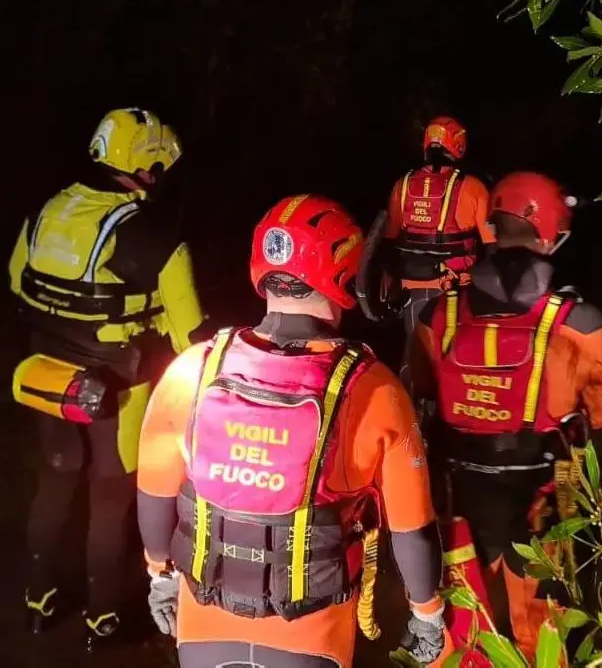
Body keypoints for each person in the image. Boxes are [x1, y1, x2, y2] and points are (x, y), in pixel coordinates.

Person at [136, 194, 451, 668]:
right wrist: (426, 614)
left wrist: (160, 576)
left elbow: (154, 497)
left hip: (202, 630)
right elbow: (413, 531)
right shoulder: (374, 389)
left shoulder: (191, 370)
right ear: (347, 273)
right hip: (312, 637)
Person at [9, 108, 208, 646]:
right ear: (147, 168)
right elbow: (192, 336)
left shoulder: (45, 213)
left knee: (54, 481)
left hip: (45, 374)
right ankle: (103, 619)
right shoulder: (157, 238)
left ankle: (37, 602)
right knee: (110, 499)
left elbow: (17, 284)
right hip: (120, 387)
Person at [409, 171, 602, 661]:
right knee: (544, 623)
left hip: (459, 488)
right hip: (543, 490)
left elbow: (422, 387)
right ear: (548, 233)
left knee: (465, 620)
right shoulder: (579, 321)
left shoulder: (436, 314)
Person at [380, 116, 495, 395]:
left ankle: (409, 405)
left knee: (413, 350)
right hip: (456, 287)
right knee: (454, 357)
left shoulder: (402, 185)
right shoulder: (473, 187)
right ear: (458, 145)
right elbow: (492, 245)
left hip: (410, 287)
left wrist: (389, 279)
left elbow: (389, 240)